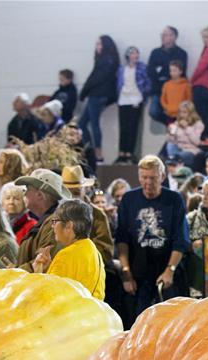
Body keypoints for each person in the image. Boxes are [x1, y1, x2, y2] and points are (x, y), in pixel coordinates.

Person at [116, 155, 191, 316]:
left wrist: (170, 270)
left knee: (174, 319)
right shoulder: (129, 199)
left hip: (168, 268)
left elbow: (181, 239)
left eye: (153, 178)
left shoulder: (174, 199)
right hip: (138, 271)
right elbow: (122, 239)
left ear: (162, 177)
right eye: (144, 177)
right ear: (138, 176)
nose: (148, 182)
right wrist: (126, 271)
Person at [33, 199, 106, 300]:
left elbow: (47, 299)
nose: (52, 226)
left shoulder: (66, 255)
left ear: (68, 225)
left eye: (55, 221)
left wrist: (38, 273)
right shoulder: (93, 250)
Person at [13, 168, 72, 270]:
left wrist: (16, 272)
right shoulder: (49, 222)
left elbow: (44, 262)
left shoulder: (54, 224)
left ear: (39, 195)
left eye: (27, 189)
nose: (24, 193)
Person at [79, 35, 120, 163]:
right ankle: (90, 150)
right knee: (82, 124)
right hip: (98, 95)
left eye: (99, 44)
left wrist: (84, 91)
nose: (97, 47)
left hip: (97, 95)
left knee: (94, 124)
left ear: (106, 46)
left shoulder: (106, 60)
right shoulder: (108, 60)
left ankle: (98, 154)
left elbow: (96, 78)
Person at [115, 46, 152, 165]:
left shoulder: (141, 68)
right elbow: (118, 82)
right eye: (133, 53)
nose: (135, 55)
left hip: (136, 99)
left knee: (133, 127)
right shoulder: (122, 69)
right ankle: (122, 152)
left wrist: (144, 94)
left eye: (137, 53)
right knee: (123, 127)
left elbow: (147, 82)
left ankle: (130, 153)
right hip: (123, 99)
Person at [147, 26, 189, 124]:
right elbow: (151, 70)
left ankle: (173, 129)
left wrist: (163, 70)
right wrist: (162, 72)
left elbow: (180, 70)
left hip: (175, 89)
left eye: (169, 35)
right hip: (158, 88)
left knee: (176, 113)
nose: (166, 37)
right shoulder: (155, 52)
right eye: (164, 35)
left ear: (175, 37)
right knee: (153, 112)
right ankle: (170, 125)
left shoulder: (182, 53)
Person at [164, 100, 205, 166]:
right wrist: (170, 134)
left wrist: (187, 128)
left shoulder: (198, 124)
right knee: (170, 145)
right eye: (180, 112)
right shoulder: (177, 123)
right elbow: (170, 141)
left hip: (191, 151)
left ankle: (173, 161)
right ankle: (173, 160)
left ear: (191, 113)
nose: (182, 115)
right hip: (179, 149)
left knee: (179, 156)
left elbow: (197, 142)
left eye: (185, 112)